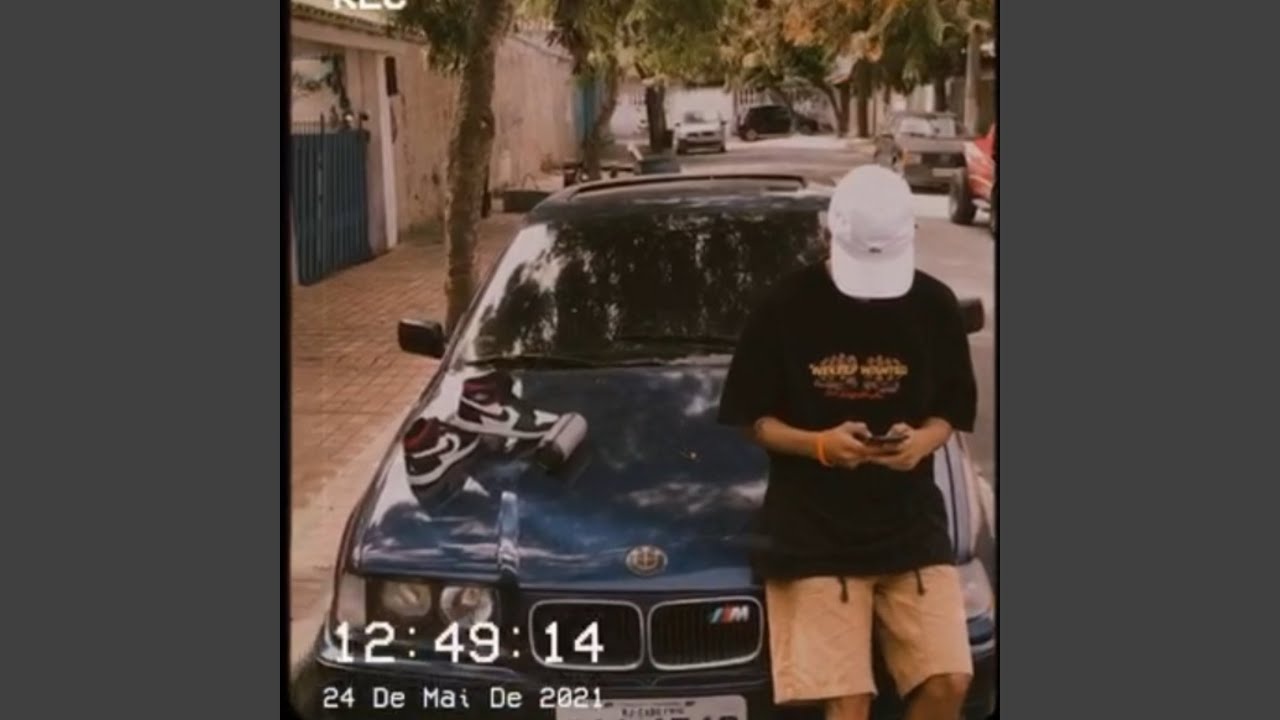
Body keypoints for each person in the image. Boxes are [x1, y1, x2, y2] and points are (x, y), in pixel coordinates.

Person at [718, 164, 979, 720]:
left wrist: (922, 441)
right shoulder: (784, 306)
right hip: (813, 531)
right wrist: (819, 445)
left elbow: (951, 412)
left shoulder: (933, 305)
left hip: (910, 525)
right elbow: (751, 420)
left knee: (949, 681)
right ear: (828, 233)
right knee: (847, 700)